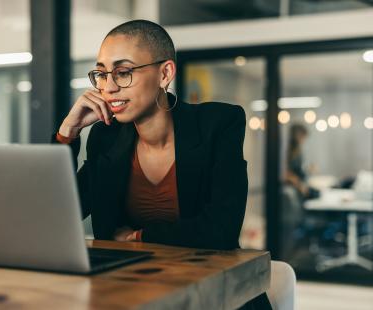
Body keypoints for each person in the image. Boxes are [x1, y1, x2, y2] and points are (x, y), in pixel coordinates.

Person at [53, 20, 271, 309]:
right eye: (102, 74)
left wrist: (138, 237)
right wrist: (68, 133)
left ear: (165, 73)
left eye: (123, 72)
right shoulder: (106, 136)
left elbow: (221, 230)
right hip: (130, 293)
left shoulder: (218, 124)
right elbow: (59, 214)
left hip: (215, 294)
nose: (109, 87)